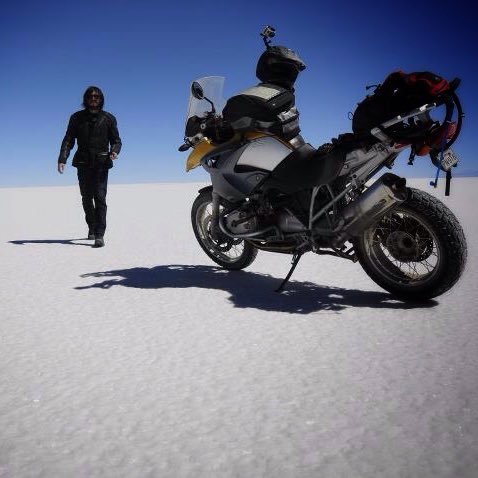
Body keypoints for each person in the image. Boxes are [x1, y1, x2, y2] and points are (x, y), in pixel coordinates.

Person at [57, 86, 122, 248]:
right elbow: (69, 139)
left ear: (101, 99)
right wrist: (63, 158)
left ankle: (99, 234)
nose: (94, 98)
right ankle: (91, 227)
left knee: (100, 198)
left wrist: (114, 151)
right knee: (86, 197)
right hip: (83, 163)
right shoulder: (76, 118)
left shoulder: (109, 118)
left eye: (97, 96)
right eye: (91, 96)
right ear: (85, 99)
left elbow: (116, 140)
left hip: (101, 163)